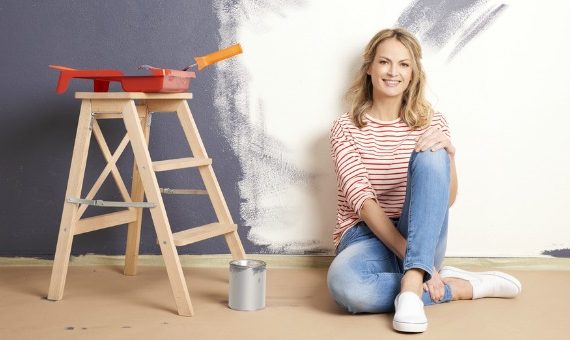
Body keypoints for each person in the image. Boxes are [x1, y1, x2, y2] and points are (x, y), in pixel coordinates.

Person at [327, 28, 522, 333]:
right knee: (345, 285)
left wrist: (449, 156)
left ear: (414, 73)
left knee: (433, 151)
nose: (393, 72)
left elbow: (445, 201)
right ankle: (456, 287)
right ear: (369, 68)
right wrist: (420, 261)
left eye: (404, 64)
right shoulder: (345, 127)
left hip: (422, 231)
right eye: (384, 62)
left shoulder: (433, 123)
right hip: (364, 237)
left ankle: (412, 283)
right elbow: (363, 203)